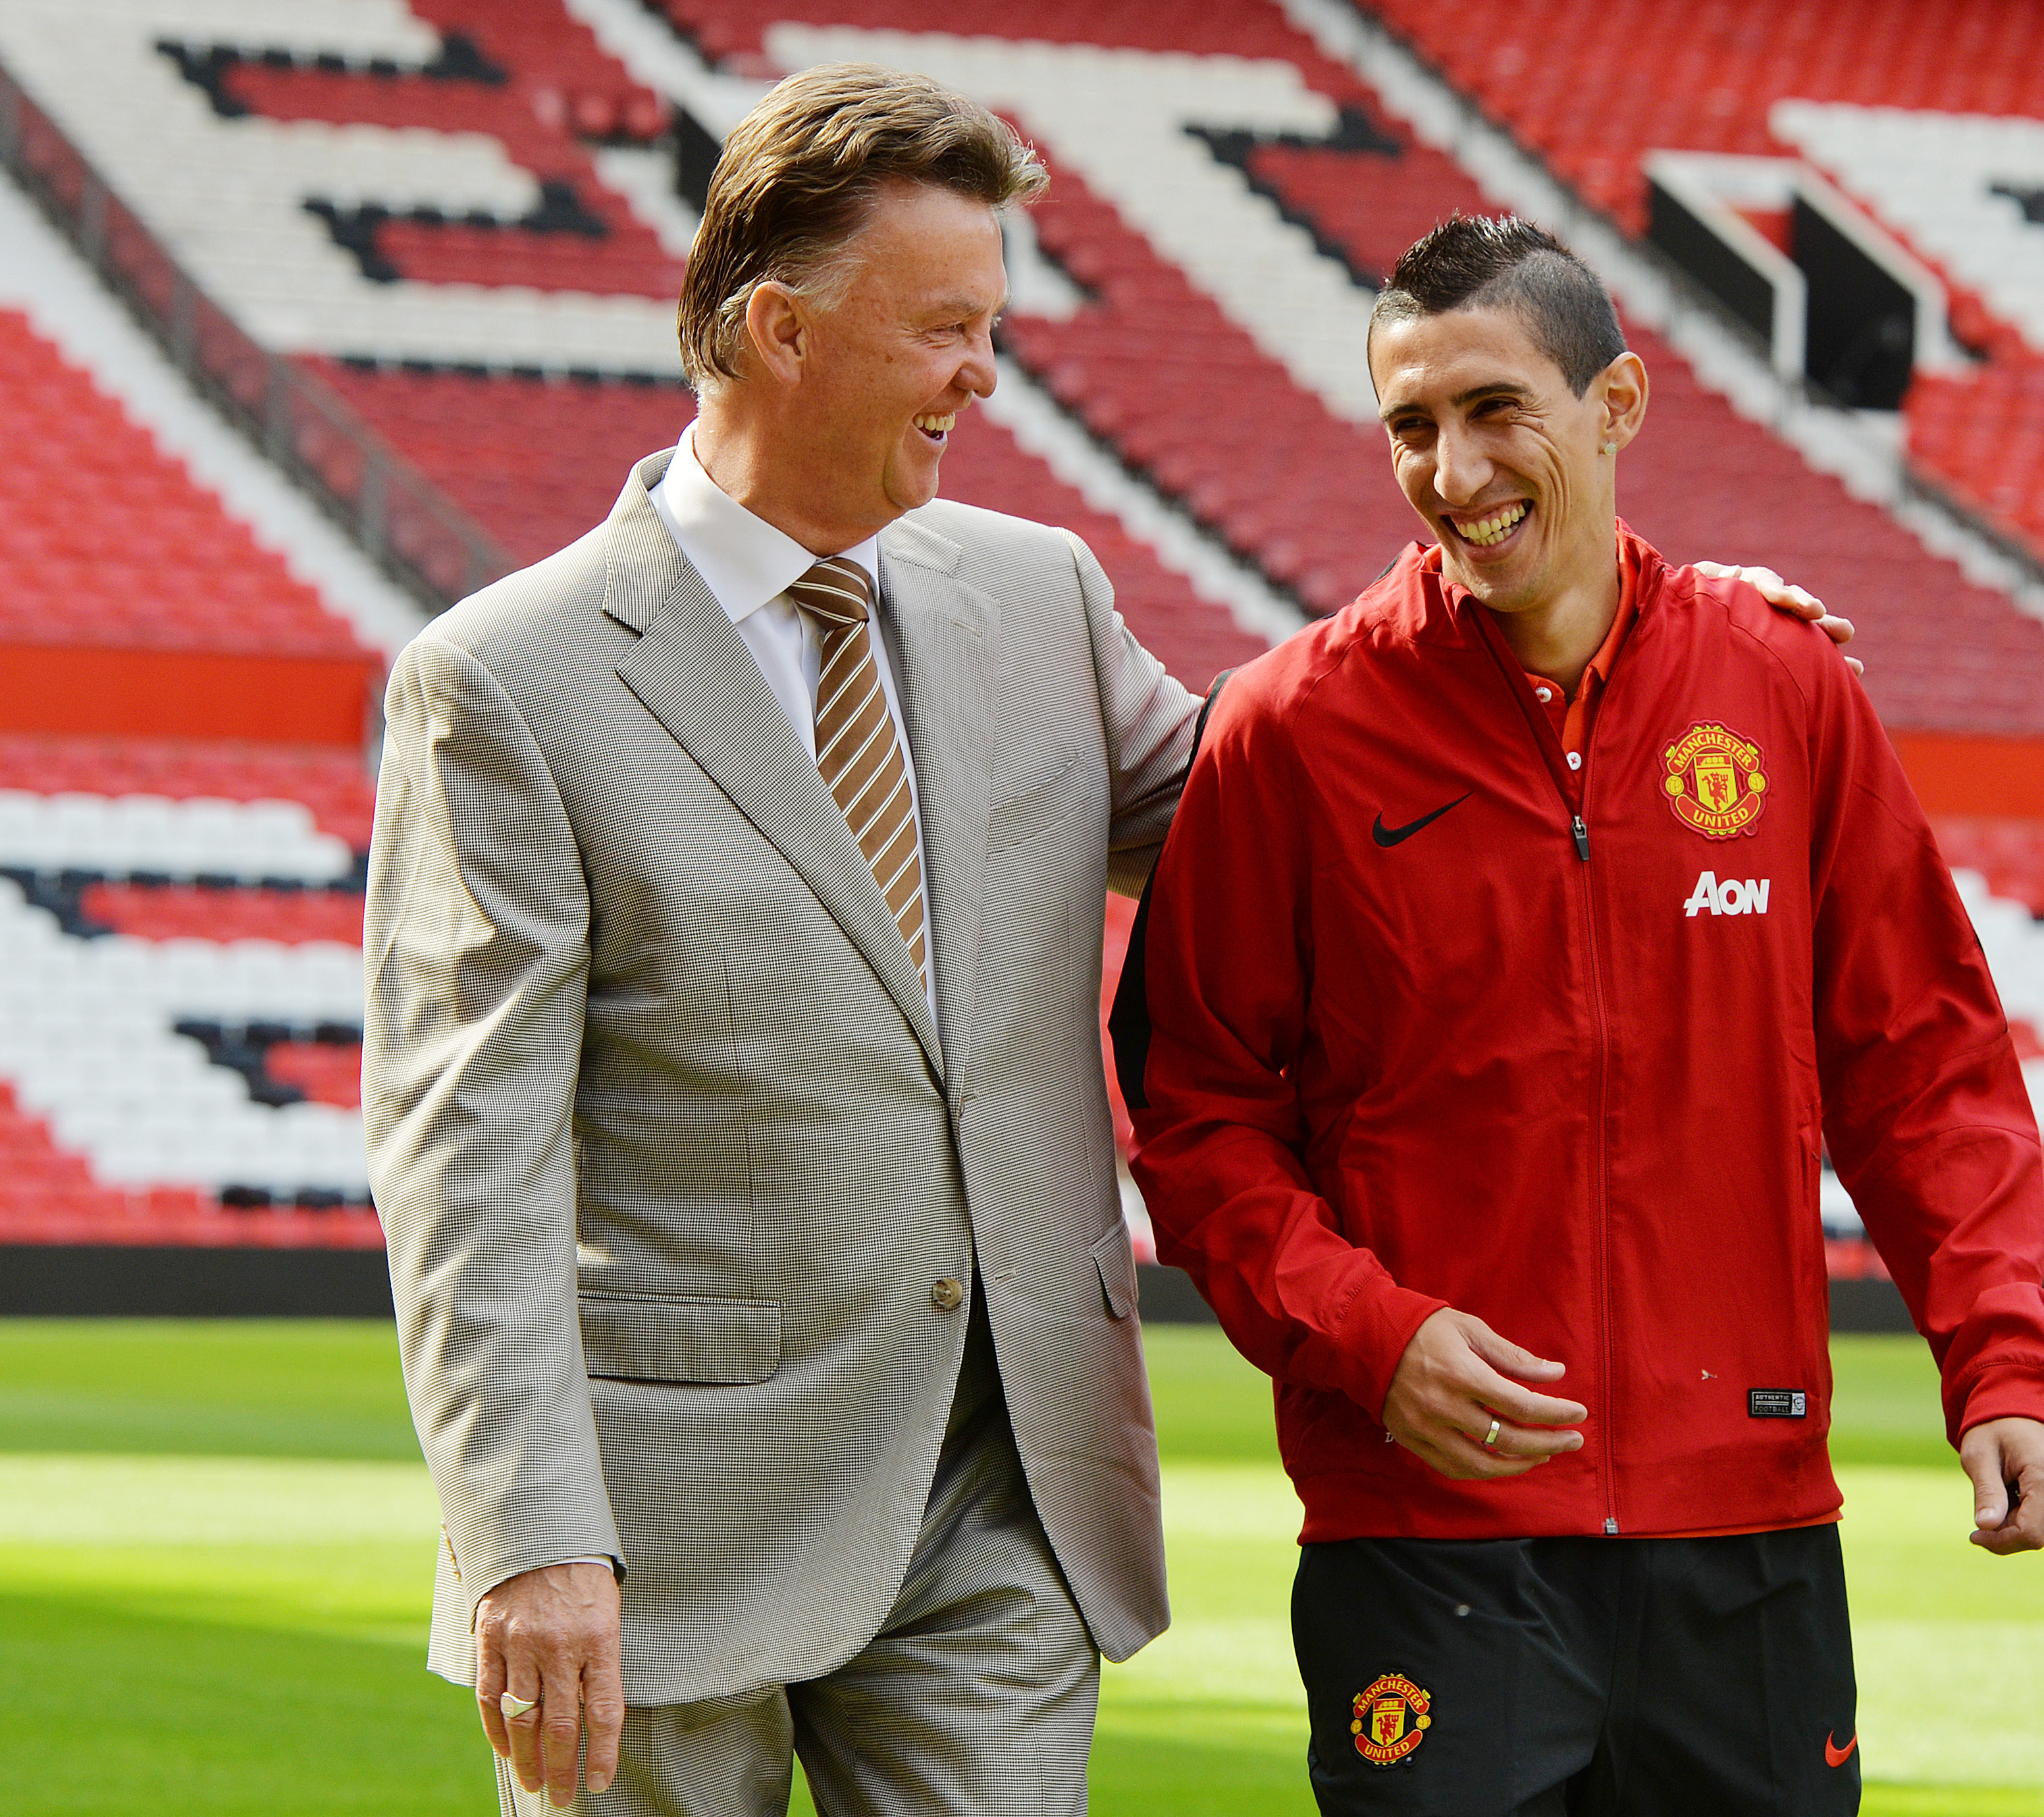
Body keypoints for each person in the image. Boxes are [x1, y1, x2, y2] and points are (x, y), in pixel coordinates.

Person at [365, 61, 1855, 1814]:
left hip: (1007, 1493)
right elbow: (465, 1160)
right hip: (675, 1510)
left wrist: (1630, 620)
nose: (986, 373)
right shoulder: (510, 681)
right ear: (779, 331)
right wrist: (530, 1537)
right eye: (946, 328)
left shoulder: (1036, 597)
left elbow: (1313, 787)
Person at [1118, 215, 2044, 1817]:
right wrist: (1376, 1338)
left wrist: (1999, 1370)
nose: (1451, 470)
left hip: (1746, 1532)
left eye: (1495, 408)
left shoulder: (1784, 688)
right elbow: (1196, 1116)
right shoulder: (1286, 729)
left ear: (1616, 407)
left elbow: (1922, 1068)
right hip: (1431, 1535)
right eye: (1410, 427)